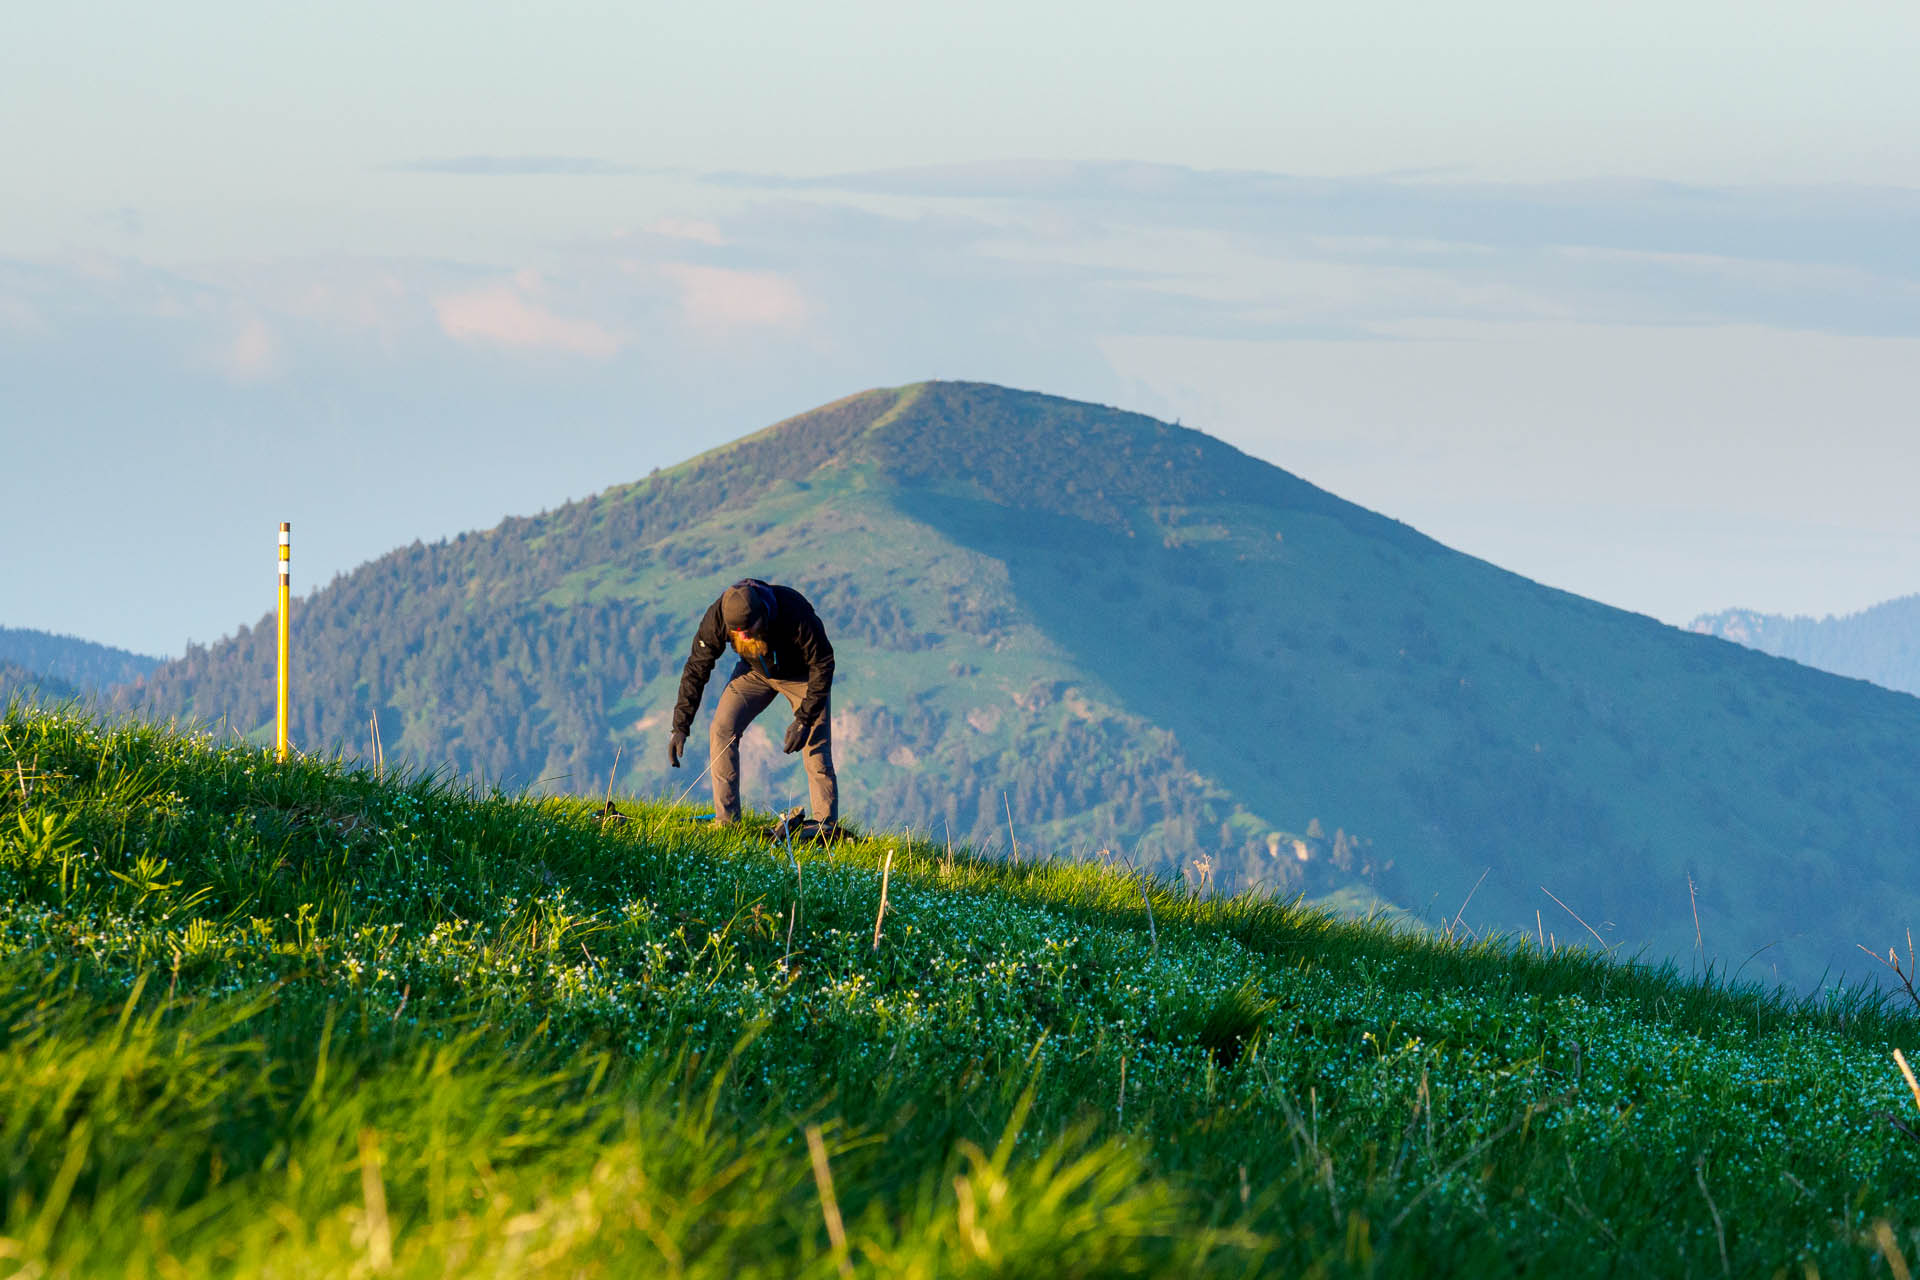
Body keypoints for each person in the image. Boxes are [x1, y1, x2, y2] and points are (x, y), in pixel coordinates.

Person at [669, 578, 838, 829]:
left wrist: (804, 719)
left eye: (749, 629)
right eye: (736, 632)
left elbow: (823, 663)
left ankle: (824, 828)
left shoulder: (794, 613)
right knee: (721, 730)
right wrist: (680, 726)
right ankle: (727, 822)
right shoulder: (718, 617)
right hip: (754, 673)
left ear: (764, 616)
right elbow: (697, 668)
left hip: (803, 677)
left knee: (815, 748)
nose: (743, 636)